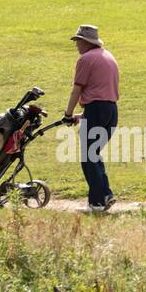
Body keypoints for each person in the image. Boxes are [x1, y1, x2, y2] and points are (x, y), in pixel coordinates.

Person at [64, 24, 120, 213]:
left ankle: (98, 201)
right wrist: (83, 116)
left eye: (78, 41)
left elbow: (77, 89)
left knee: (89, 157)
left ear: (86, 42)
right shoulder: (108, 57)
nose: (76, 45)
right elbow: (103, 93)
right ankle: (104, 195)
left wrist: (68, 114)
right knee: (93, 154)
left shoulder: (85, 59)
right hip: (110, 110)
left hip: (96, 109)